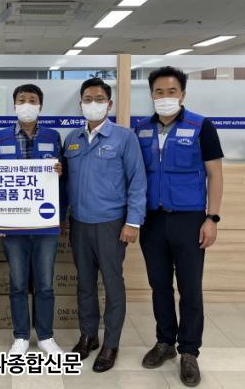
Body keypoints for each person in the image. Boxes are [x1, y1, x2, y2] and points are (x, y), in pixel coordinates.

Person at [135, 66, 224, 387]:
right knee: (159, 285)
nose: (165, 97)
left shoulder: (201, 126)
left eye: (171, 91)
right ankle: (165, 342)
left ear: (182, 94)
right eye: (159, 91)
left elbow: (215, 174)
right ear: (151, 95)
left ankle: (189, 351)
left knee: (190, 288)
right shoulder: (141, 130)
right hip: (152, 220)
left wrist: (212, 218)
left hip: (189, 220)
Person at [64, 77, 147, 373]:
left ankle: (111, 343)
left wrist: (133, 222)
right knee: (85, 284)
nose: (93, 104)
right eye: (88, 99)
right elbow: (64, 181)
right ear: (81, 104)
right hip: (79, 223)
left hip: (111, 224)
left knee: (112, 285)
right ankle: (88, 336)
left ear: (109, 104)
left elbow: (137, 182)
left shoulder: (124, 138)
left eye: (99, 99)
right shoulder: (72, 138)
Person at [0, 84, 65, 356]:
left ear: (40, 105)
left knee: (45, 284)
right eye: (22, 100)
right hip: (13, 226)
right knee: (18, 283)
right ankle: (21, 335)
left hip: (45, 224)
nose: (27, 104)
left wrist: (60, 171)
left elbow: (63, 179)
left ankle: (45, 336)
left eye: (32, 100)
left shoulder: (53, 136)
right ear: (14, 105)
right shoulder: (0, 138)